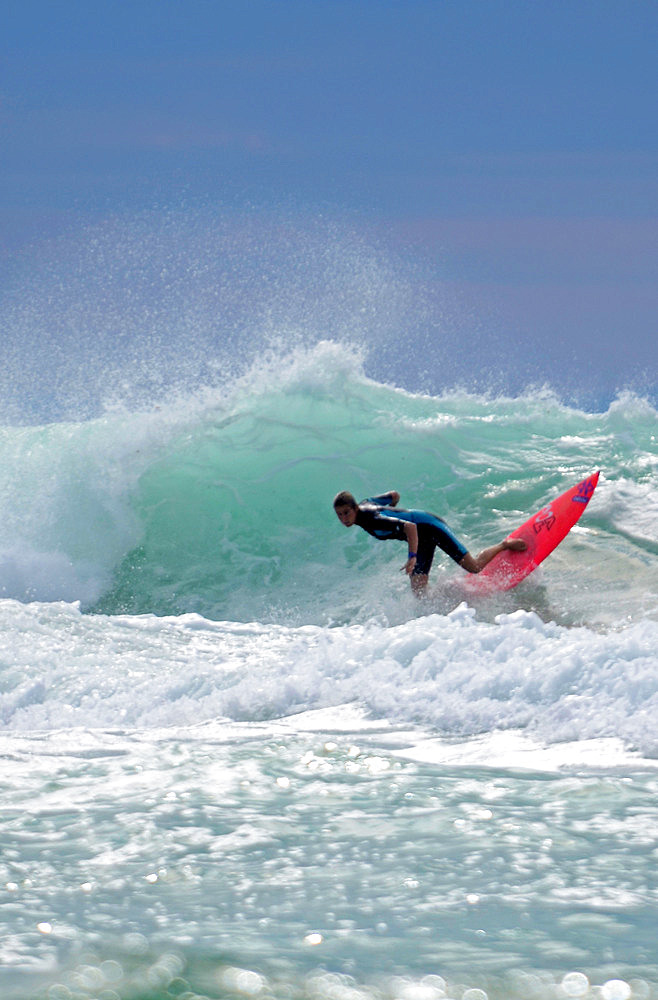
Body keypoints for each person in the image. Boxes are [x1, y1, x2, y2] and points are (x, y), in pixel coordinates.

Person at [333, 489, 526, 595]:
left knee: (474, 567)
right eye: (340, 515)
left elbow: (410, 527)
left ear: (355, 507)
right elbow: (394, 495)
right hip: (422, 537)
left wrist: (412, 557)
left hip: (430, 527)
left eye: (347, 513)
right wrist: (392, 509)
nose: (344, 519)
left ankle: (505, 544)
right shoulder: (367, 503)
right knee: (418, 590)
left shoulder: (371, 518)